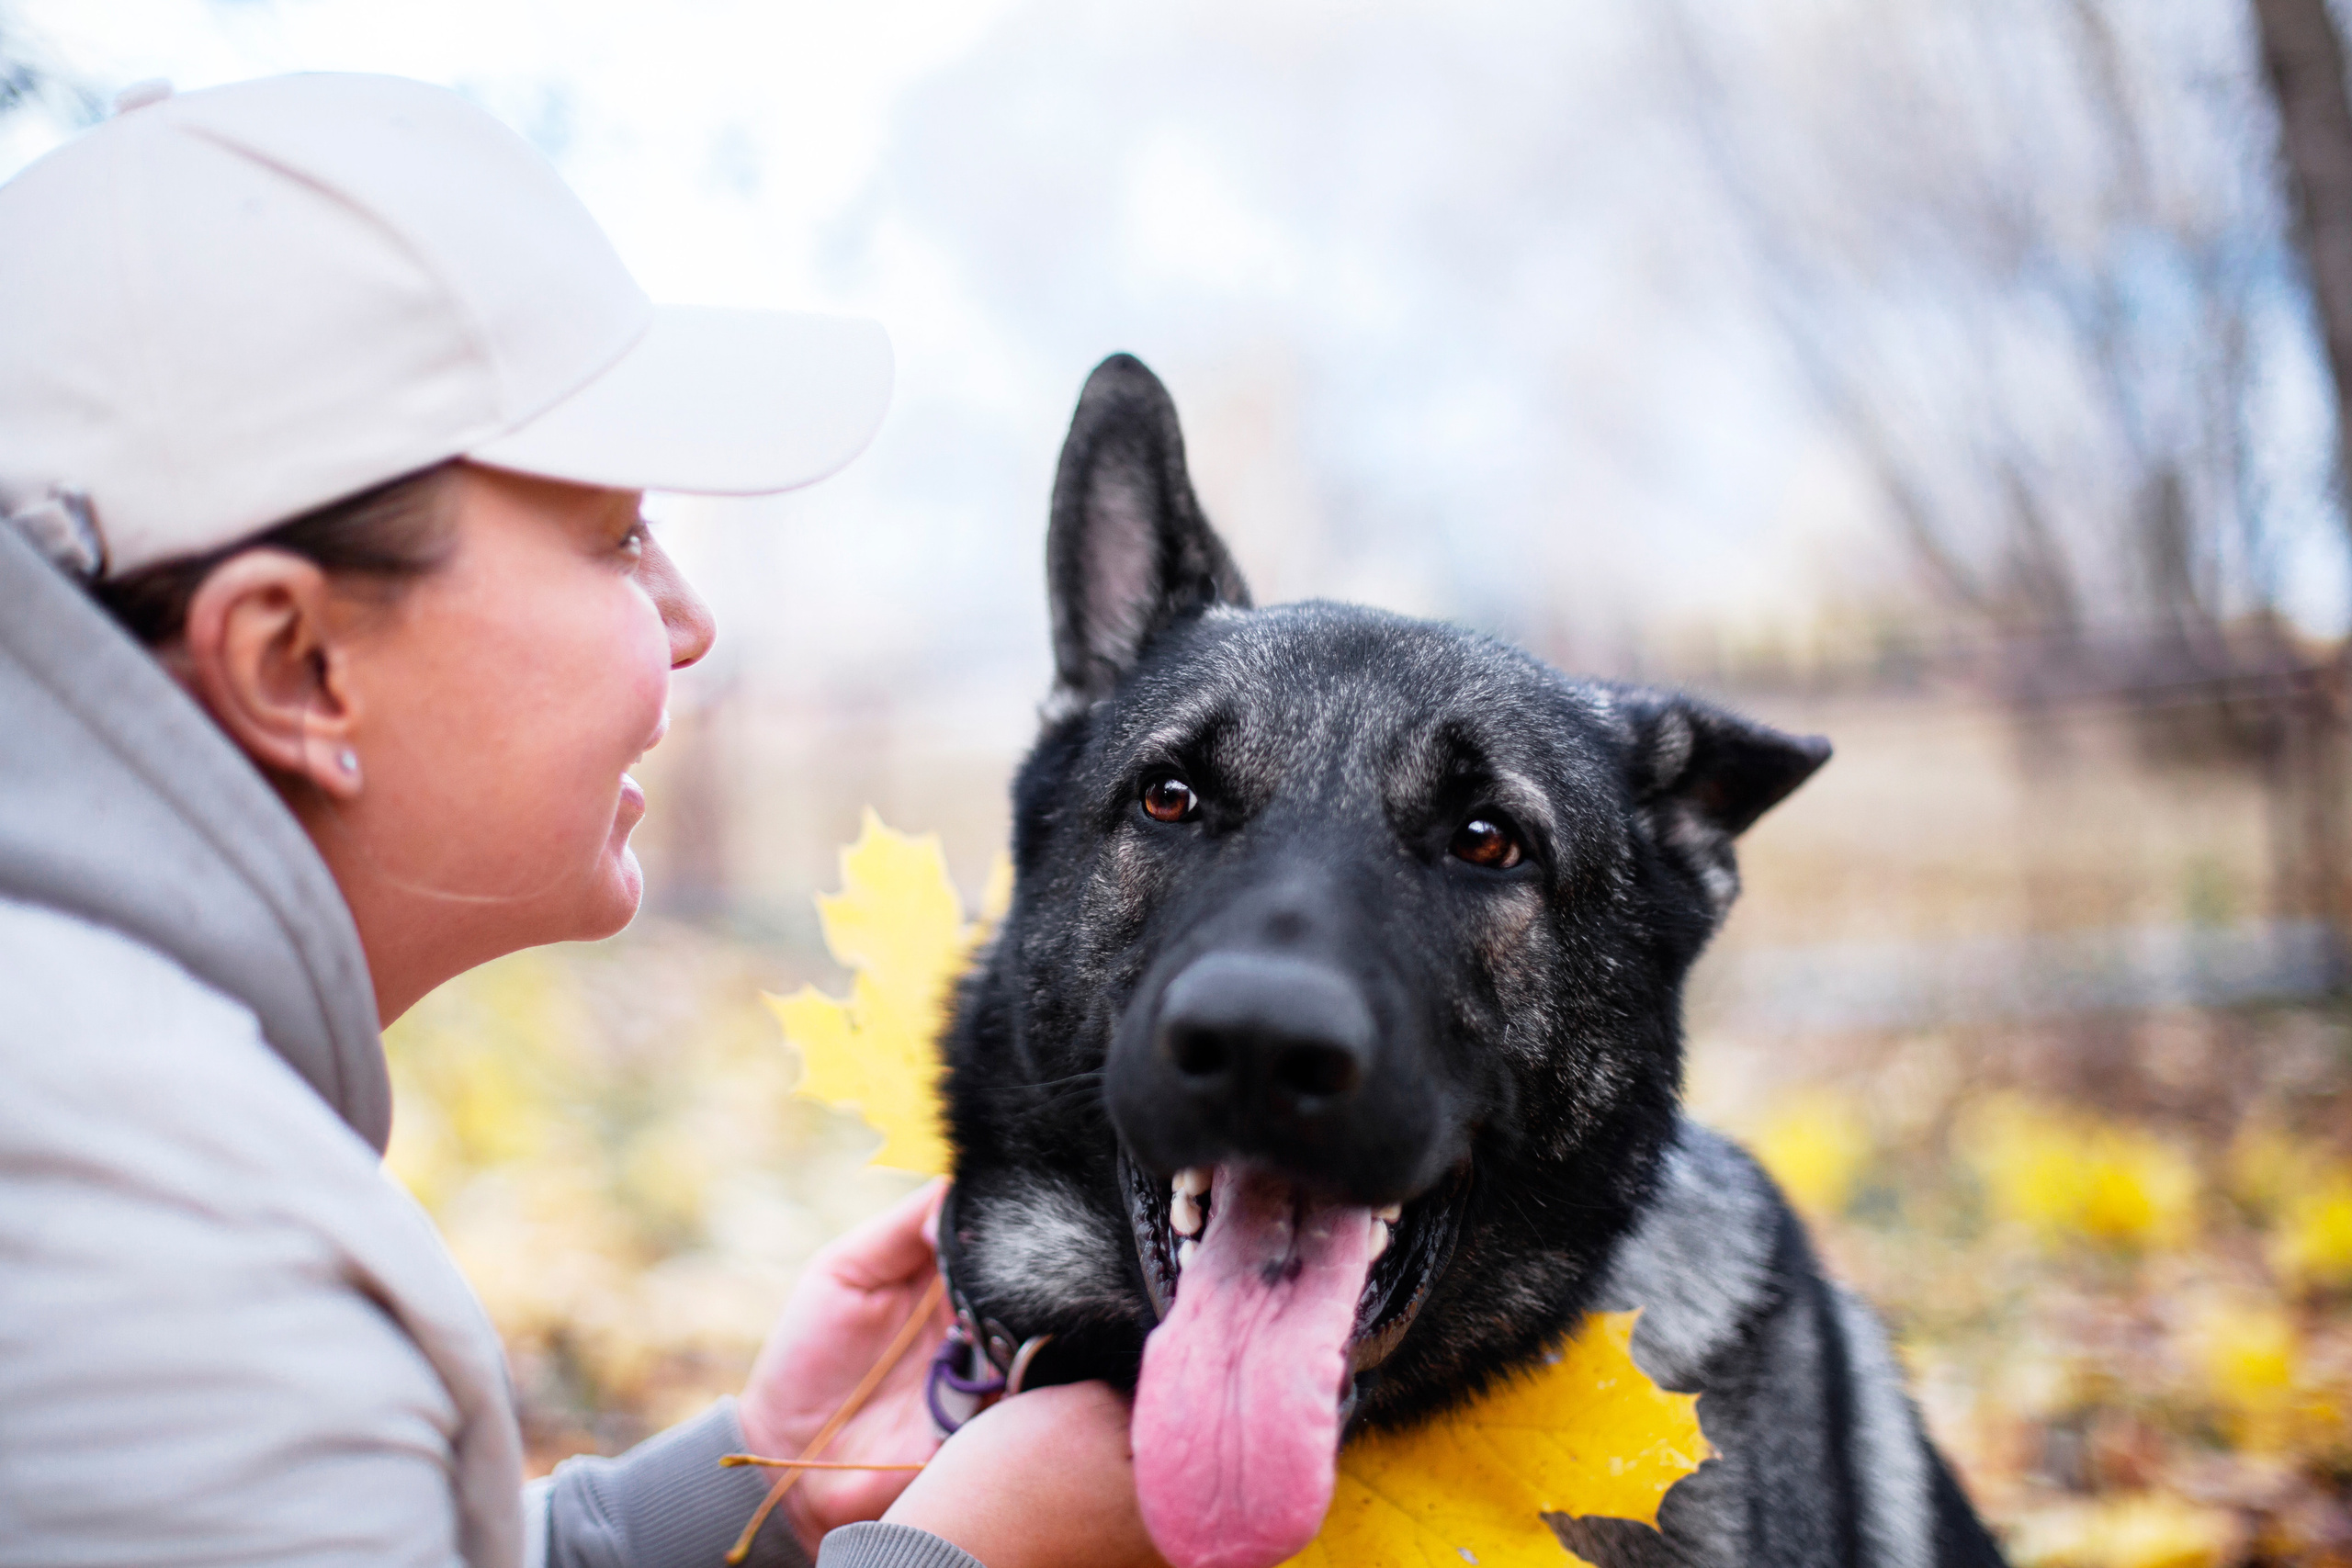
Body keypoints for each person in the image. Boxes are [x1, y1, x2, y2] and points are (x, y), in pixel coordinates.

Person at [0, 72, 1164, 1568]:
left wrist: (758, 1488)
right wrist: (953, 1560)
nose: (689, 619)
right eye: (617, 535)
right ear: (295, 661)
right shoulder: (160, 1266)